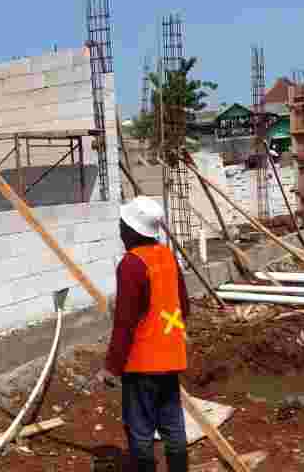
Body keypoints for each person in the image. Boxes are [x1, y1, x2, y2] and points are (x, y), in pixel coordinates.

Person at [105, 196, 191, 472]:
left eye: (122, 224)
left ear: (131, 231)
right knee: (173, 426)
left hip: (142, 363)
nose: (119, 229)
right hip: (171, 356)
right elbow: (183, 305)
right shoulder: (167, 256)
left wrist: (112, 367)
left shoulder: (131, 264)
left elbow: (125, 323)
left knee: (140, 431)